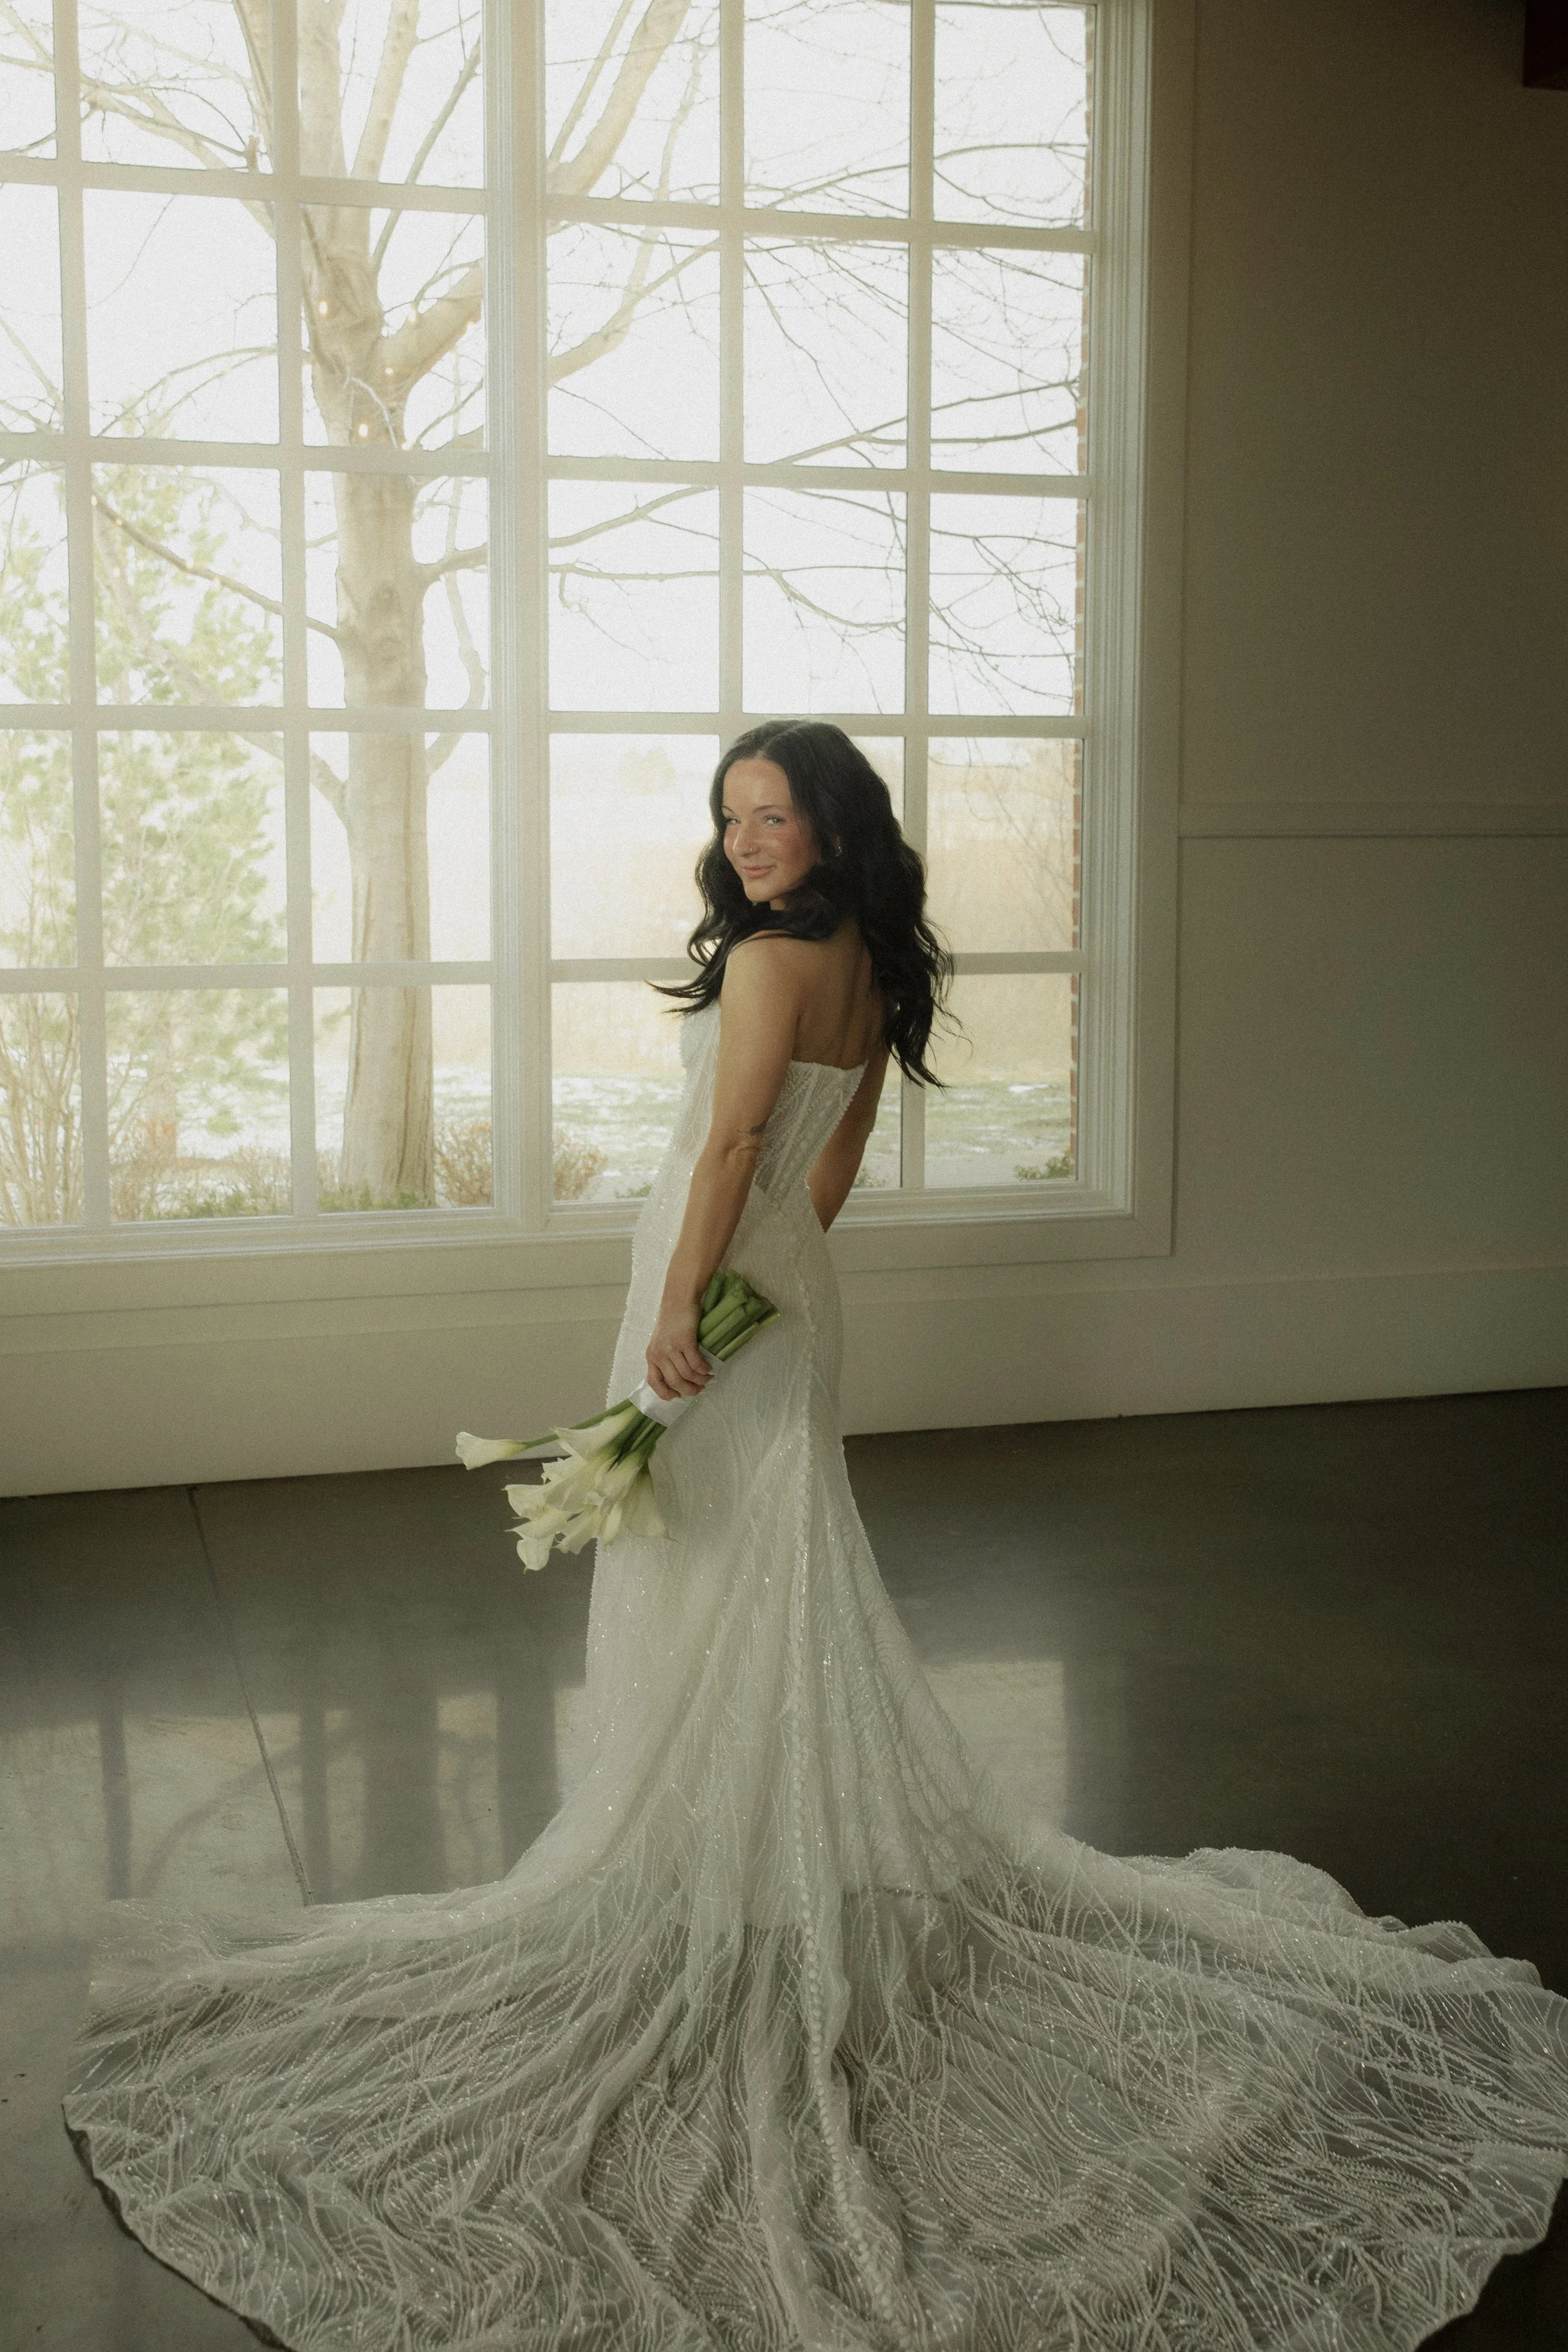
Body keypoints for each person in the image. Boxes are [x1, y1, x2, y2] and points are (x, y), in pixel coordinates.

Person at [65, 721, 1568, 2350]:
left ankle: (700, 1874)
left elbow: (727, 1144)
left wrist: (675, 1308)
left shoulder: (779, 960)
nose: (750, 838)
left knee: (703, 1574)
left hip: (714, 1285)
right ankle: (733, 1859)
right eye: (731, 816)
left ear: (829, 819)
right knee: (748, 1578)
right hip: (782, 1286)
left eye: (774, 812)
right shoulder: (865, 958)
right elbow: (828, 1161)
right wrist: (765, 1269)